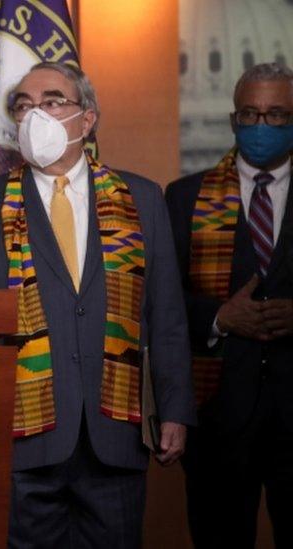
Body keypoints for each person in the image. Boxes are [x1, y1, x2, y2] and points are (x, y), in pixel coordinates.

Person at [0, 61, 195, 547]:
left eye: (53, 101)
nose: (35, 114)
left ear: (87, 119)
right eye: (24, 105)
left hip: (115, 432)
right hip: (21, 438)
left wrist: (175, 410)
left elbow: (165, 316)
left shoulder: (140, 198)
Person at [165, 62, 293, 548]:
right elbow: (162, 303)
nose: (262, 126)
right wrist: (220, 317)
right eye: (250, 114)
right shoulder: (184, 197)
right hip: (217, 415)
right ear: (233, 119)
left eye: (277, 115)